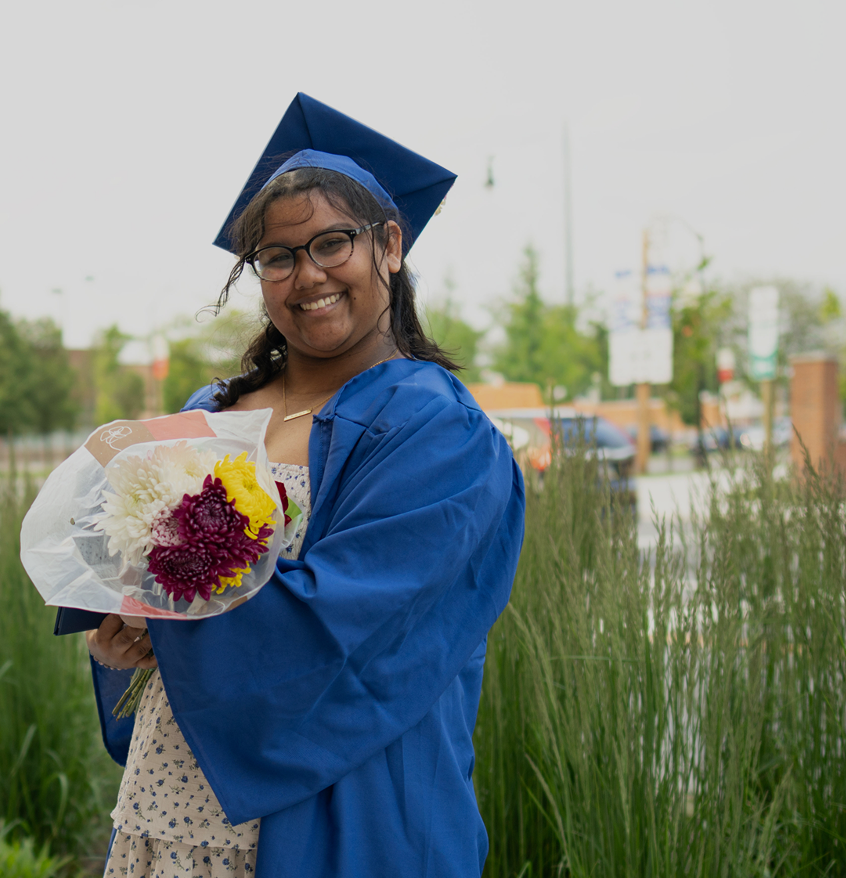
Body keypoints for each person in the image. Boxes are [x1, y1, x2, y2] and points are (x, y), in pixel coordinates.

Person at [86, 93, 525, 878]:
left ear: (390, 244)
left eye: (332, 243)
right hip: (172, 802)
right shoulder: (210, 412)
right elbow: (134, 573)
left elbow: (350, 625)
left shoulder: (436, 429)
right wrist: (120, 635)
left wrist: (178, 622)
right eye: (279, 257)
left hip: (343, 820)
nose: (307, 274)